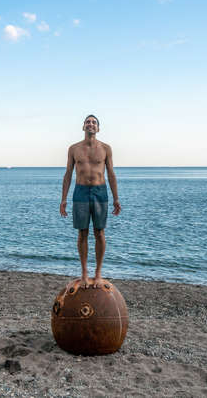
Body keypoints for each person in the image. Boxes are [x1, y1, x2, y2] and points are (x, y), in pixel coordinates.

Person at [60, 115, 121, 289]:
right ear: (83, 127)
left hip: (100, 191)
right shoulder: (73, 149)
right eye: (88, 122)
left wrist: (116, 198)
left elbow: (111, 174)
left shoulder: (106, 148)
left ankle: (98, 274)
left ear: (98, 128)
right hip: (80, 192)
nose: (91, 124)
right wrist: (63, 199)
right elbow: (68, 174)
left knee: (100, 233)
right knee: (82, 233)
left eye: (94, 122)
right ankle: (85, 273)